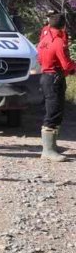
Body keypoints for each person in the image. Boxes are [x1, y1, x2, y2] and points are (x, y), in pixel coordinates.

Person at [37, 13, 76, 161]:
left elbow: (39, 59)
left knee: (52, 110)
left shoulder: (44, 39)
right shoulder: (59, 42)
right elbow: (66, 64)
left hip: (46, 77)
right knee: (54, 113)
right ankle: (48, 151)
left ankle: (52, 147)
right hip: (55, 78)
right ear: (63, 25)